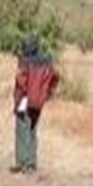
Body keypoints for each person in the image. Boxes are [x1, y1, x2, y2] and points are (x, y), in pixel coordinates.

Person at [12, 35, 60, 172]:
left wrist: (21, 94)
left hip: (25, 100)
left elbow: (21, 81)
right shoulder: (46, 61)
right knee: (33, 130)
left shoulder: (24, 62)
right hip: (39, 101)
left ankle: (23, 163)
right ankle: (32, 163)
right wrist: (48, 93)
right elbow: (56, 76)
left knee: (22, 131)